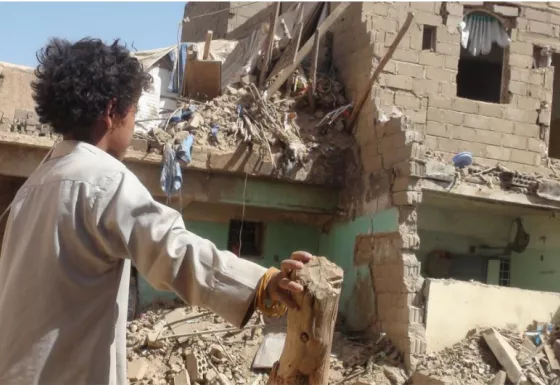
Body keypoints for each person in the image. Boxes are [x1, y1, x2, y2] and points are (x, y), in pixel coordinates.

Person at [0, 38, 312, 385]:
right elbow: (173, 250)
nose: (134, 128)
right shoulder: (104, 179)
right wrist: (262, 284)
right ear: (111, 111)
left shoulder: (32, 187)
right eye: (134, 113)